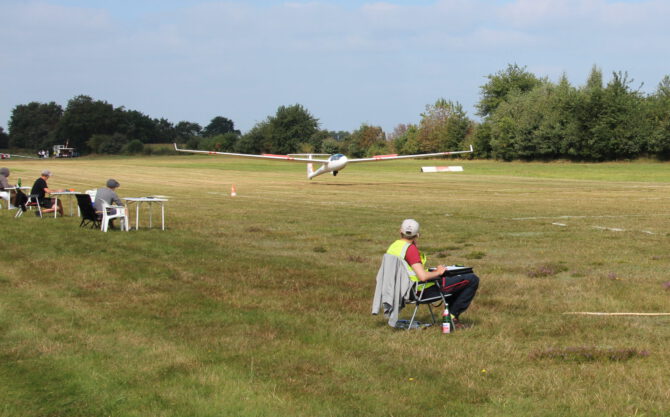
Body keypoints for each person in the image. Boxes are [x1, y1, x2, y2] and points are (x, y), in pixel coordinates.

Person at [386, 219, 479, 329]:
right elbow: (423, 276)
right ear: (417, 235)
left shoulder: (393, 247)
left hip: (400, 290)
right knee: (472, 279)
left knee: (452, 280)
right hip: (419, 290)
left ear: (400, 231)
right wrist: (438, 272)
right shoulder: (410, 250)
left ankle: (450, 316)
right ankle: (451, 317)